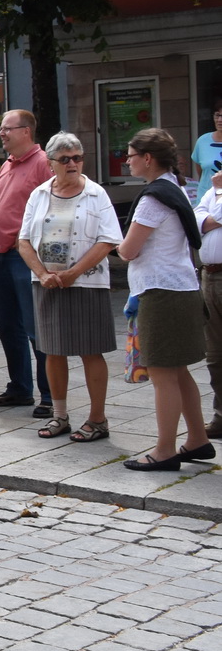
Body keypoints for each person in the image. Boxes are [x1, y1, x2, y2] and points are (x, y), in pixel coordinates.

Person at [15, 133, 121, 442]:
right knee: (52, 350)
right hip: (47, 284)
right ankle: (59, 415)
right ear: (51, 164)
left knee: (91, 349)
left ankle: (98, 419)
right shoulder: (39, 195)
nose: (73, 163)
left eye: (77, 157)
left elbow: (108, 240)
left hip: (87, 282)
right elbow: (23, 241)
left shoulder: (95, 194)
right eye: (65, 159)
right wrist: (42, 273)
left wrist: (75, 272)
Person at [117, 128, 212, 470]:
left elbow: (129, 249)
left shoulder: (154, 197)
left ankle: (165, 450)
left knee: (162, 375)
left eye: (130, 155)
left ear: (147, 158)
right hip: (181, 289)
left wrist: (115, 245)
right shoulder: (174, 187)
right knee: (178, 371)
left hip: (162, 292)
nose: (126, 161)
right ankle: (197, 439)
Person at [0, 108, 52, 413]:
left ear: (26, 131)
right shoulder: (7, 164)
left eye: (7, 128)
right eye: (2, 128)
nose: (1, 133)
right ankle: (20, 387)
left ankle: (49, 395)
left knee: (36, 328)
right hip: (0, 254)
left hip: (25, 258)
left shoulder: (43, 163)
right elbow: (1, 204)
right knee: (8, 326)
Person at [197, 164, 222, 439]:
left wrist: (219, 191)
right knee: (215, 355)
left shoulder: (217, 189)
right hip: (209, 276)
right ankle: (221, 416)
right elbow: (196, 221)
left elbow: (214, 215)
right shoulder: (213, 190)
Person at [191, 97, 222, 194]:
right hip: (206, 200)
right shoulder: (202, 141)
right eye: (217, 115)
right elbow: (201, 172)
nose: (220, 120)